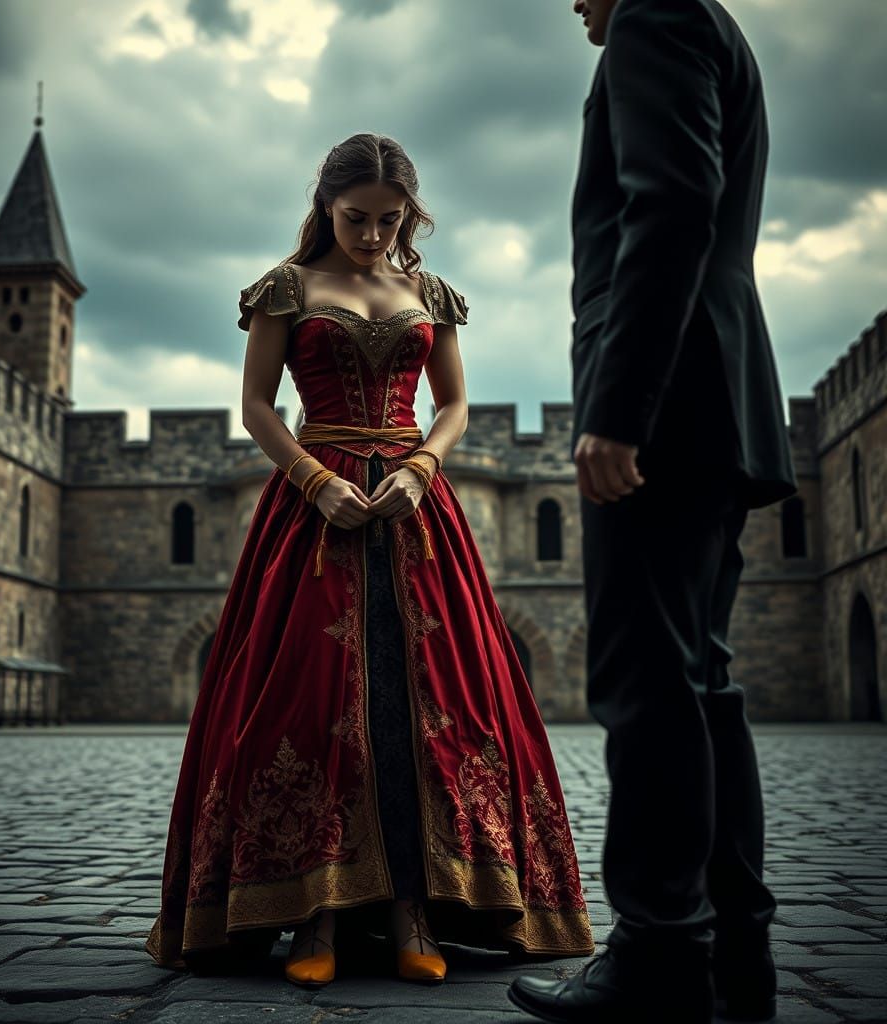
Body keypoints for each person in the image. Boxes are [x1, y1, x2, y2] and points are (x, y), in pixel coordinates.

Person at [145, 132, 594, 988]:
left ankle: (413, 908)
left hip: (415, 510)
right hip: (314, 508)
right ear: (325, 207)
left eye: (391, 220)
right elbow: (255, 406)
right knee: (302, 701)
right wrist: (314, 483)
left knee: (428, 704)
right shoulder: (286, 287)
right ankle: (315, 912)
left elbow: (454, 405)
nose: (374, 235)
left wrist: (423, 469)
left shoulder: (430, 293)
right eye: (357, 218)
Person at [507, 1, 798, 1022]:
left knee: (645, 684)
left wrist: (618, 409)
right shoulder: (707, 23)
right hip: (718, 398)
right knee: (699, 681)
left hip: (667, 405)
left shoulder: (655, 16)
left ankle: (661, 952)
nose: (571, 3)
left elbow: (671, 202)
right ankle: (733, 951)